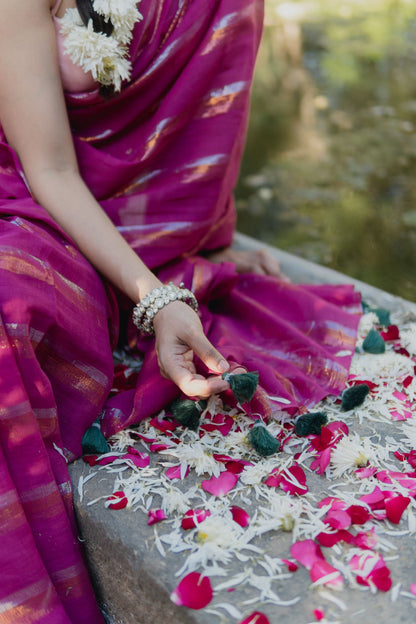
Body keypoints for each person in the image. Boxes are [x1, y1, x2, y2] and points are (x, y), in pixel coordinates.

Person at [0, 1, 361, 622]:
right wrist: (156, 297)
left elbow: (211, 127)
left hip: (147, 240)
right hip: (37, 211)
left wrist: (212, 244)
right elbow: (49, 169)